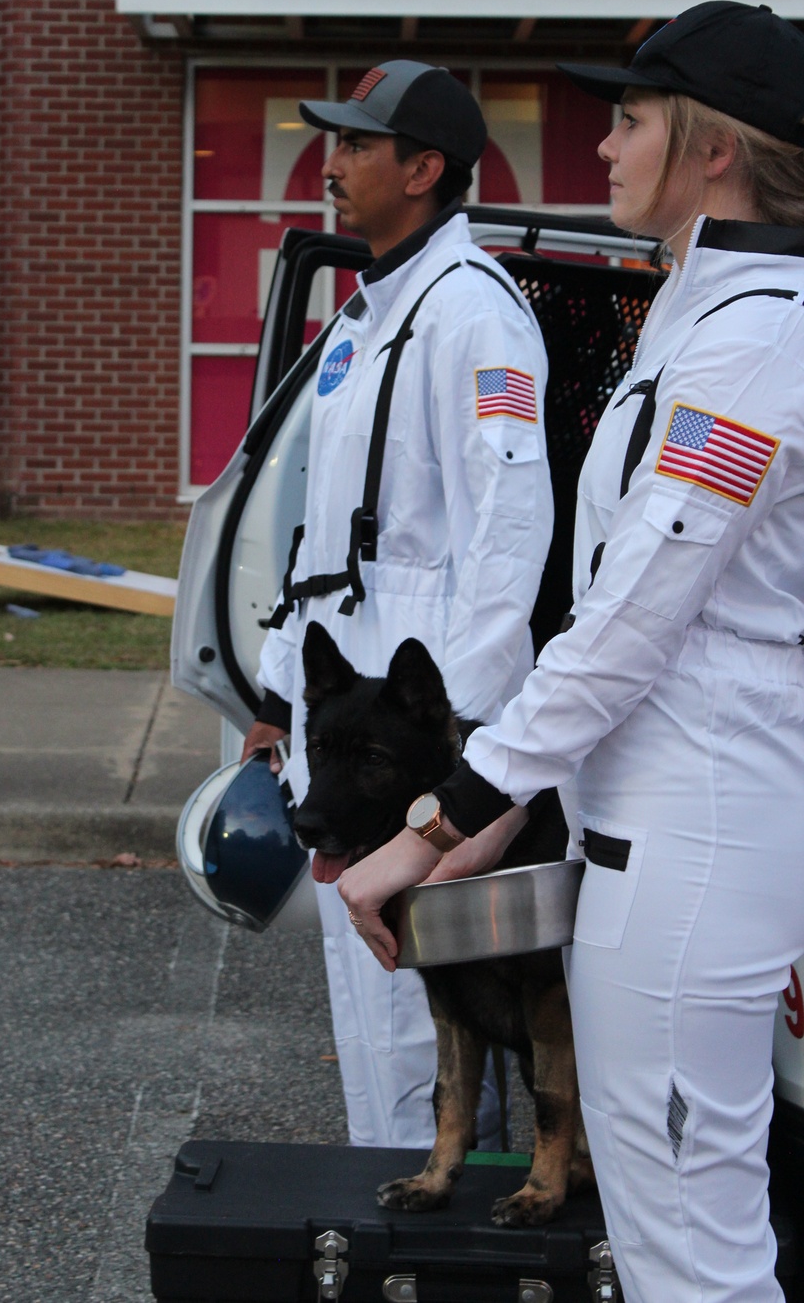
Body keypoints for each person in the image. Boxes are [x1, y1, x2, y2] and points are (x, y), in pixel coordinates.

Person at [339, 1, 804, 1302]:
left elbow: (630, 619)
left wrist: (443, 823)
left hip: (692, 840)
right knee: (675, 1240)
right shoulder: (713, 312)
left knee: (689, 1256)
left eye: (633, 118)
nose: (603, 146)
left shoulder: (753, 342)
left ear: (715, 147)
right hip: (673, 830)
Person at [240, 59, 554, 1148]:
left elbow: (508, 533)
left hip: (413, 730)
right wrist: (280, 695)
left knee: (424, 993)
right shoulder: (363, 319)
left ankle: (440, 1218)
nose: (331, 164)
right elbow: (320, 542)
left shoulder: (474, 318)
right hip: (345, 712)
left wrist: (461, 751)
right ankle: (388, 1209)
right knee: (364, 979)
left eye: (357, 146)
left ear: (423, 170)